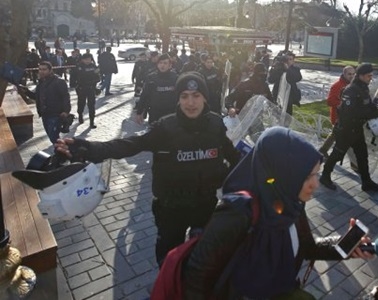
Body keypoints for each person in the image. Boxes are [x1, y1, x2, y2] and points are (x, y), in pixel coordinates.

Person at [55, 73, 240, 265]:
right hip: (171, 209)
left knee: (203, 260)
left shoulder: (216, 124)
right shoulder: (165, 127)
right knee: (169, 261)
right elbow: (130, 144)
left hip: (205, 206)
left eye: (196, 95)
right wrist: (89, 149)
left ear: (204, 97)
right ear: (178, 98)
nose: (190, 102)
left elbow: (234, 156)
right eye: (184, 96)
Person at [182, 126, 373, 299]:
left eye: (317, 173)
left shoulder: (290, 202)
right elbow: (197, 275)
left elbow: (307, 247)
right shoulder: (237, 211)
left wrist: (347, 245)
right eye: (307, 176)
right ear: (282, 173)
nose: (315, 184)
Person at [319, 63, 378, 192]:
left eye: (371, 76)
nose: (370, 78)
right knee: (337, 154)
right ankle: (325, 176)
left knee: (362, 155)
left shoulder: (363, 88)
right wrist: (373, 112)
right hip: (346, 129)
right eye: (368, 76)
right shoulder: (351, 90)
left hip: (357, 128)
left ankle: (366, 182)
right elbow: (351, 112)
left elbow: (367, 105)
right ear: (360, 76)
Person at [18, 61, 70, 144]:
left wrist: (66, 111)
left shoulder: (59, 81)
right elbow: (37, 97)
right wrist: (26, 91)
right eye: (40, 69)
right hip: (45, 114)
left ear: (50, 70)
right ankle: (61, 153)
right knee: (52, 137)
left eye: (44, 69)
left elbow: (65, 97)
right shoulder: (41, 82)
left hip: (55, 114)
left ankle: (63, 153)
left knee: (54, 138)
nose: (41, 71)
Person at [318, 65, 355, 158]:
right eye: (349, 74)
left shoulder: (352, 85)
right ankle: (353, 161)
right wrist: (345, 103)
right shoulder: (337, 86)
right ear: (344, 74)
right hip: (338, 116)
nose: (352, 76)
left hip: (348, 117)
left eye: (353, 74)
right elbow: (330, 101)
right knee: (343, 137)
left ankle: (323, 151)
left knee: (335, 135)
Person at [135, 54, 178, 124]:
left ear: (170, 65)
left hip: (171, 114)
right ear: (157, 64)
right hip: (155, 113)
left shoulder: (175, 78)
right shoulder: (151, 78)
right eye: (160, 63)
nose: (162, 65)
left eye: (165, 63)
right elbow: (145, 95)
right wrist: (139, 112)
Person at [75, 53, 101, 128]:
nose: (88, 61)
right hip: (81, 88)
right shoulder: (79, 66)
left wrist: (94, 80)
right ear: (82, 60)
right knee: (81, 104)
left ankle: (91, 122)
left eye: (89, 59)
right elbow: (77, 77)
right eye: (86, 59)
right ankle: (80, 115)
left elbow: (98, 77)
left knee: (91, 106)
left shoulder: (93, 66)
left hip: (91, 88)